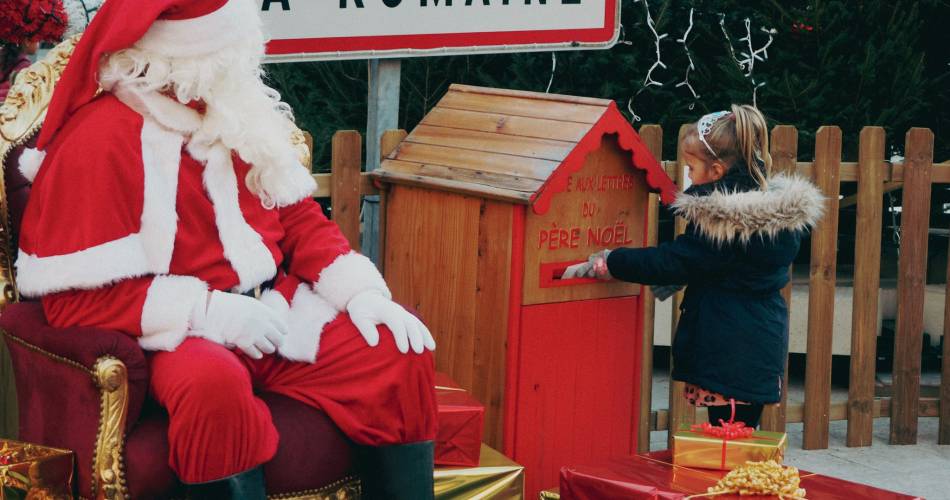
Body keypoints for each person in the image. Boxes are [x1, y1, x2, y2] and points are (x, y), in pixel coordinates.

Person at [14, 0, 438, 498]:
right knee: (212, 386)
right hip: (178, 333)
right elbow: (73, 302)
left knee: (393, 352)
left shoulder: (239, 113)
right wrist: (208, 310)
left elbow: (297, 218)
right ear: (187, 59)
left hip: (276, 311)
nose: (242, 65)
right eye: (228, 54)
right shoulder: (99, 139)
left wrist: (360, 292)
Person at [564, 105, 824, 428]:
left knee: (728, 445)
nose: (688, 176)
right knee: (739, 438)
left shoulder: (724, 227)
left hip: (730, 354)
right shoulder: (769, 221)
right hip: (756, 347)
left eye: (691, 167)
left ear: (716, 171)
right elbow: (707, 267)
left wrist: (612, 261)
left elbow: (674, 262)